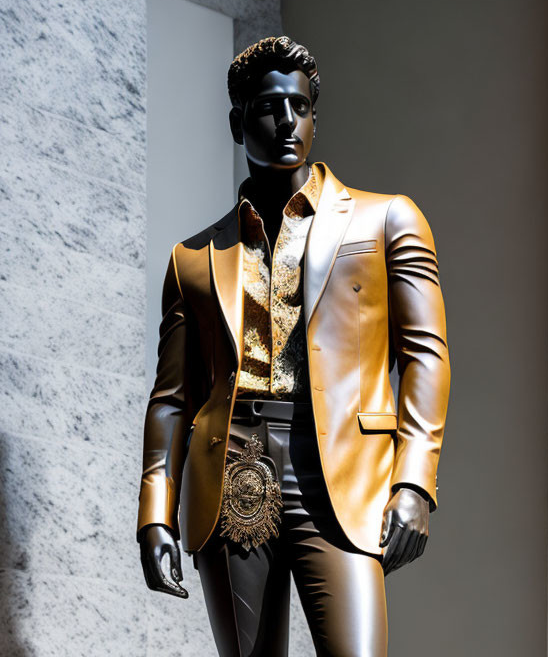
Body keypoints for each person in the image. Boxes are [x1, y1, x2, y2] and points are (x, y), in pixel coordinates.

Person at [136, 35, 451, 656]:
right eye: (267, 107)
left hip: (338, 469)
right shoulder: (194, 259)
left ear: (314, 116)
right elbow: (171, 398)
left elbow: (425, 357)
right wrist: (155, 511)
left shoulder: (386, 221)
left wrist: (414, 482)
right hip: (231, 472)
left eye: (300, 107)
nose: (287, 122)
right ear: (237, 121)